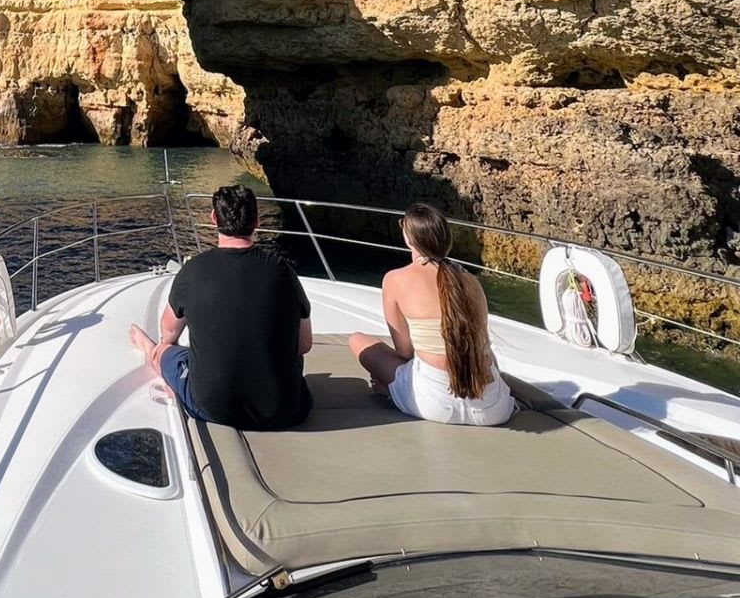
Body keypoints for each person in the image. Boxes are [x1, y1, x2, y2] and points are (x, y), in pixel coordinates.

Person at [129, 183, 312, 428]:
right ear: (257, 222)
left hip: (213, 408)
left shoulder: (193, 271)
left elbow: (169, 332)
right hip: (284, 410)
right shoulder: (283, 272)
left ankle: (156, 359)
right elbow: (304, 345)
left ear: (214, 218)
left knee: (165, 350)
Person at [347, 203, 514, 426]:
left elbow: (405, 352)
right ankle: (395, 389)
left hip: (434, 403)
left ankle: (391, 392)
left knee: (357, 340)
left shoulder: (395, 279)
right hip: (493, 408)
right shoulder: (472, 282)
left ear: (409, 238)